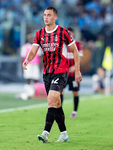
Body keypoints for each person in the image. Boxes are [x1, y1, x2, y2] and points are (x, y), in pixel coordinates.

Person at [22, 7, 82, 143]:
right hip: (47, 73)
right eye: (44, 15)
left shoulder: (63, 32)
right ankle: (64, 134)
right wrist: (27, 60)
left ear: (55, 17)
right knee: (57, 103)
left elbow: (75, 51)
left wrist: (77, 70)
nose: (45, 17)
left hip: (60, 71)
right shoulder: (39, 33)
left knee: (51, 99)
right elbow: (33, 50)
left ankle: (45, 133)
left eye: (49, 15)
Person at [60, 27, 83, 118]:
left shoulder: (77, 44)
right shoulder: (62, 45)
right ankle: (59, 112)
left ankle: (74, 112)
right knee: (60, 92)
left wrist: (75, 67)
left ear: (72, 34)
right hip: (64, 73)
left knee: (75, 92)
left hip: (73, 75)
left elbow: (80, 57)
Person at [15, 34, 42, 100]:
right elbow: (22, 58)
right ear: (27, 39)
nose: (31, 39)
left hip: (35, 65)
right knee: (28, 79)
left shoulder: (37, 47)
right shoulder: (24, 47)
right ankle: (28, 93)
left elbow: (40, 57)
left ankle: (34, 93)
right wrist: (22, 67)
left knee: (36, 79)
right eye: (30, 38)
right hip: (28, 65)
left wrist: (41, 67)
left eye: (32, 38)